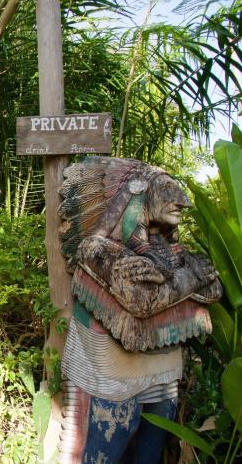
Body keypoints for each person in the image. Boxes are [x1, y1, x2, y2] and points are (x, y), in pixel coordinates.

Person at [57, 156, 221, 463]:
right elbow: (141, 301)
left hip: (163, 373)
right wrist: (189, 278)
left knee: (149, 454)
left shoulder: (172, 251)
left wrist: (173, 279)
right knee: (106, 448)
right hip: (113, 375)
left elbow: (214, 289)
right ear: (140, 191)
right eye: (168, 188)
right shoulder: (97, 249)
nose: (182, 201)